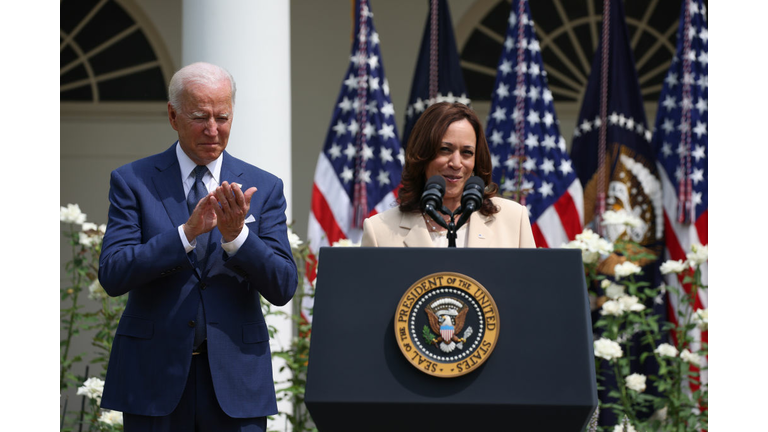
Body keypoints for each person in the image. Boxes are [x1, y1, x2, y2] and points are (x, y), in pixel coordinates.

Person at [98, 62, 298, 431]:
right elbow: (113, 272)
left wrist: (237, 237)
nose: (212, 129)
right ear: (173, 116)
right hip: (153, 380)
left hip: (235, 381)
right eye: (199, 117)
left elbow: (283, 285)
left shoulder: (264, 186)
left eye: (222, 117)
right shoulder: (133, 181)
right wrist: (185, 234)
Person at [362, 102, 535, 248]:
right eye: (445, 149)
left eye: (467, 152)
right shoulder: (379, 231)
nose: (456, 163)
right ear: (422, 155)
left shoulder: (514, 220)